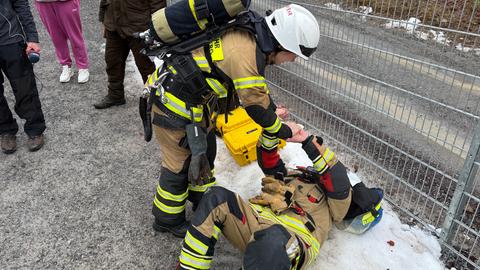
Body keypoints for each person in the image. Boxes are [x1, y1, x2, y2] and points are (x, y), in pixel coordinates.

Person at [144, 4, 320, 237]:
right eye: (293, 54)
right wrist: (286, 131)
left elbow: (254, 91)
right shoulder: (246, 54)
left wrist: (273, 110)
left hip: (196, 108)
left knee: (205, 154)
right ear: (282, 43)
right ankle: (167, 218)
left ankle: (201, 200)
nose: (293, 60)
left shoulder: (252, 32)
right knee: (179, 165)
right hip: (172, 108)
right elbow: (256, 108)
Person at [175, 132, 384, 270]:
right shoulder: (294, 175)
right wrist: (272, 129)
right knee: (215, 197)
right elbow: (268, 160)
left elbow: (337, 181)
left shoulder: (337, 199)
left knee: (273, 241)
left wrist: (310, 145)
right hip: (256, 221)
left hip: (293, 239)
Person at [93, 0, 165, 109]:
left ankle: (155, 99)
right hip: (113, 25)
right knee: (112, 62)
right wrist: (103, 17)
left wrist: (156, 26)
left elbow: (157, 3)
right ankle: (115, 95)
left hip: (139, 27)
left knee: (145, 66)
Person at [0, 0, 46, 154]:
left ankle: (34, 128)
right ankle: (5, 129)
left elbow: (21, 5)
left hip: (11, 40)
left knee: (24, 87)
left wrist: (32, 37)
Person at [34, 0, 90, 83]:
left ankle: (82, 67)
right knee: (56, 37)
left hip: (66, 2)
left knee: (74, 35)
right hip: (43, 3)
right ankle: (66, 65)